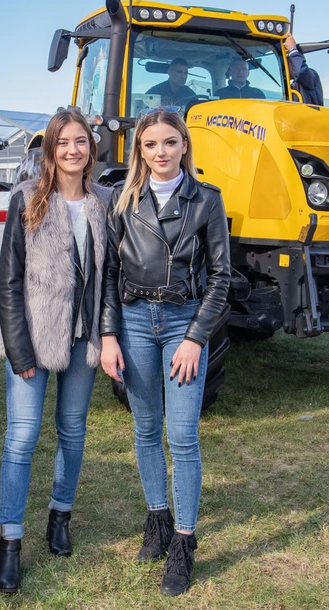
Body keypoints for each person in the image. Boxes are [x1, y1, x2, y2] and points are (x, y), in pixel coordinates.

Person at [100, 109, 231, 596]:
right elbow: (110, 277)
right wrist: (109, 335)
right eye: (151, 144)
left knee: (182, 436)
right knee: (145, 428)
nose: (160, 152)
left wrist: (197, 337)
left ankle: (183, 541)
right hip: (134, 322)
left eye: (170, 143)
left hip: (182, 322)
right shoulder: (122, 200)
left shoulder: (206, 200)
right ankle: (157, 518)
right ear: (139, 150)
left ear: (184, 146)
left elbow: (221, 277)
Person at [0, 108, 111, 594]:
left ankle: (60, 516)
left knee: (73, 431)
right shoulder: (26, 200)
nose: (72, 150)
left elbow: (110, 281)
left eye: (80, 141)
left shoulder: (105, 201)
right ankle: (10, 541)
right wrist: (19, 350)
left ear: (90, 149)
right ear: (50, 150)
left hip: (83, 337)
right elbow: (8, 280)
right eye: (63, 142)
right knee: (21, 437)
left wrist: (106, 336)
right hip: (33, 336)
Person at [285, 33, 324, 106]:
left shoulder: (311, 76)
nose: (284, 68)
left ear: (292, 61)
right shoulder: (290, 87)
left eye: (286, 62)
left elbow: (301, 71)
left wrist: (292, 50)